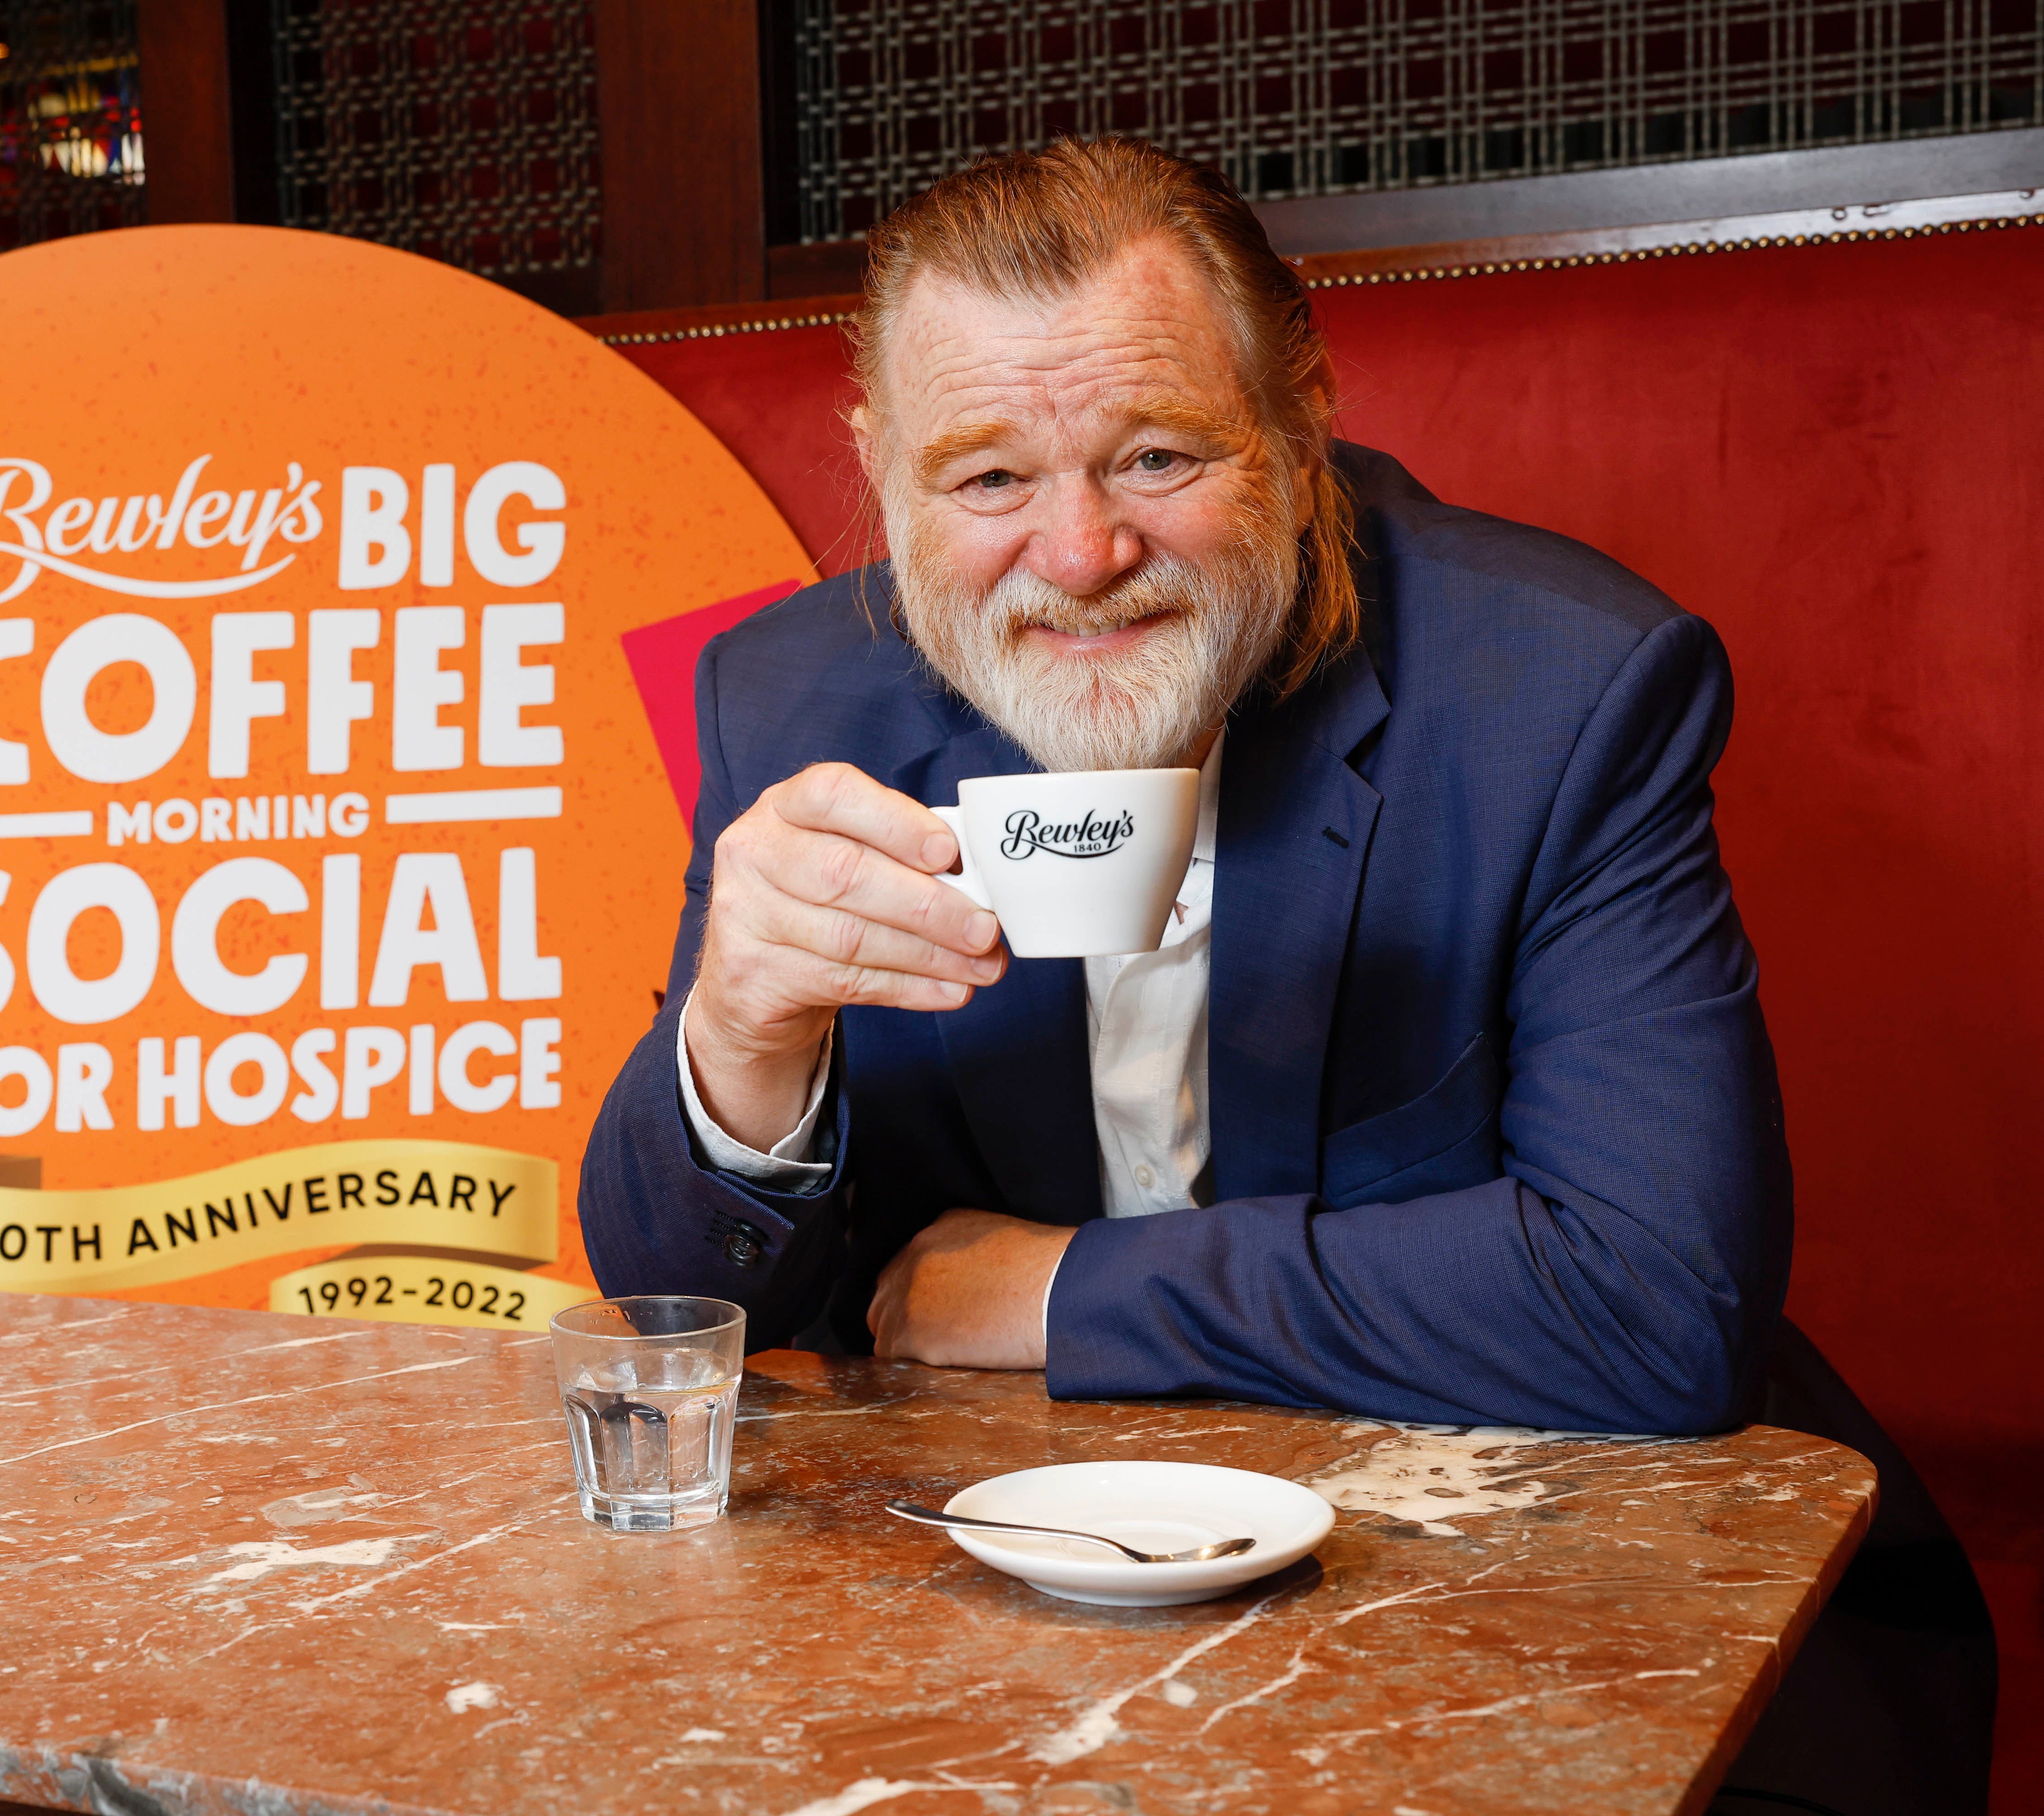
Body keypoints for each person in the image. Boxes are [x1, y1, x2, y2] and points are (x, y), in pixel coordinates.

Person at [578, 138, 1990, 1816]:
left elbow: (1650, 1307)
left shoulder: (1565, 692)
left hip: (1541, 1592)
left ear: (1301, 425)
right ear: (883, 471)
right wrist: (738, 1038)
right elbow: (684, 1314)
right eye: (987, 482)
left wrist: (1063, 1293)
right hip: (1001, 1603)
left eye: (1158, 454)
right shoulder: (791, 698)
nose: (1081, 553)